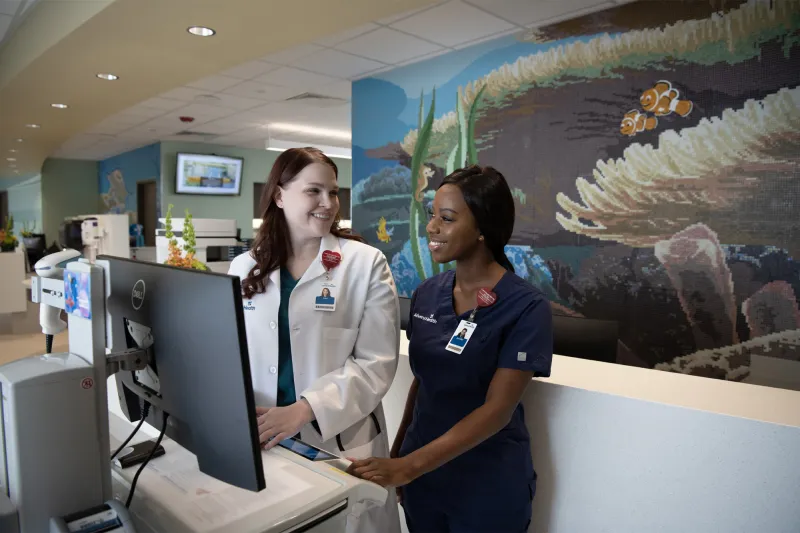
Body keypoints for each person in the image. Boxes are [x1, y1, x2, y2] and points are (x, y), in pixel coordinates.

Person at [348, 165, 554, 532]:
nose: (431, 227)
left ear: (482, 229)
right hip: (424, 478)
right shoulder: (428, 294)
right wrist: (399, 454)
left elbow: (497, 410)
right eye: (432, 216)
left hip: (487, 484)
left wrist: (408, 466)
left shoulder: (526, 307)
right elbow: (424, 381)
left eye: (447, 218)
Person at [228, 147, 402, 533]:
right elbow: (232, 353)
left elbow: (376, 363)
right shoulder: (245, 267)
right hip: (264, 436)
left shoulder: (364, 263)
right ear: (279, 195)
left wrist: (303, 409)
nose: (329, 204)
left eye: (334, 192)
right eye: (314, 191)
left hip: (338, 439)